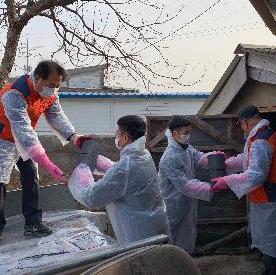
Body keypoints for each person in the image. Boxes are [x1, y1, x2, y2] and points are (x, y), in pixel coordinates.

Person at [0, 60, 90, 239]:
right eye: (51, 85)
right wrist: (48, 163)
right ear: (38, 78)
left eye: (57, 86)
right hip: (4, 138)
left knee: (31, 176)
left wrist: (74, 137)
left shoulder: (50, 94)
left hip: (25, 139)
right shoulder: (13, 94)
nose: (54, 90)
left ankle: (33, 223)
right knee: (0, 181)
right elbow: (22, 128)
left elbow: (57, 116)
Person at [212, 105, 276, 275]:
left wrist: (227, 181)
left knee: (274, 242)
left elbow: (256, 175)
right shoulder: (262, 135)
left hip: (273, 199)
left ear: (244, 123)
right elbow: (248, 158)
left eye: (241, 124)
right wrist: (228, 163)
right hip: (272, 197)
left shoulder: (261, 141)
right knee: (271, 239)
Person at [68, 115, 171, 245]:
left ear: (125, 138)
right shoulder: (144, 155)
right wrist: (98, 161)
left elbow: (92, 198)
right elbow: (126, 175)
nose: (116, 138)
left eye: (117, 135)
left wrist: (82, 173)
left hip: (138, 237)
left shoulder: (125, 168)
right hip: (155, 229)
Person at [158, 116, 213, 254]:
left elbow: (201, 159)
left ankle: (185, 262)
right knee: (172, 237)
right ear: (174, 133)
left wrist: (218, 159)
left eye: (189, 132)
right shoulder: (170, 157)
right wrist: (210, 188)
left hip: (187, 202)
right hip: (173, 204)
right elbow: (184, 185)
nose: (188, 136)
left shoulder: (186, 149)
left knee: (187, 234)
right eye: (185, 132)